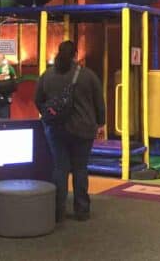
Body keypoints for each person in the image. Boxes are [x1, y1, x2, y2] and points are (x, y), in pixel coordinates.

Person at [35, 41, 105, 222]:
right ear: (76, 54)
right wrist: (101, 124)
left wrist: (47, 114)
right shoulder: (88, 75)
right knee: (80, 168)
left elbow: (38, 99)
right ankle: (82, 209)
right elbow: (99, 103)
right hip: (83, 128)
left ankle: (58, 211)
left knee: (60, 168)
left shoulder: (47, 75)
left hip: (56, 129)